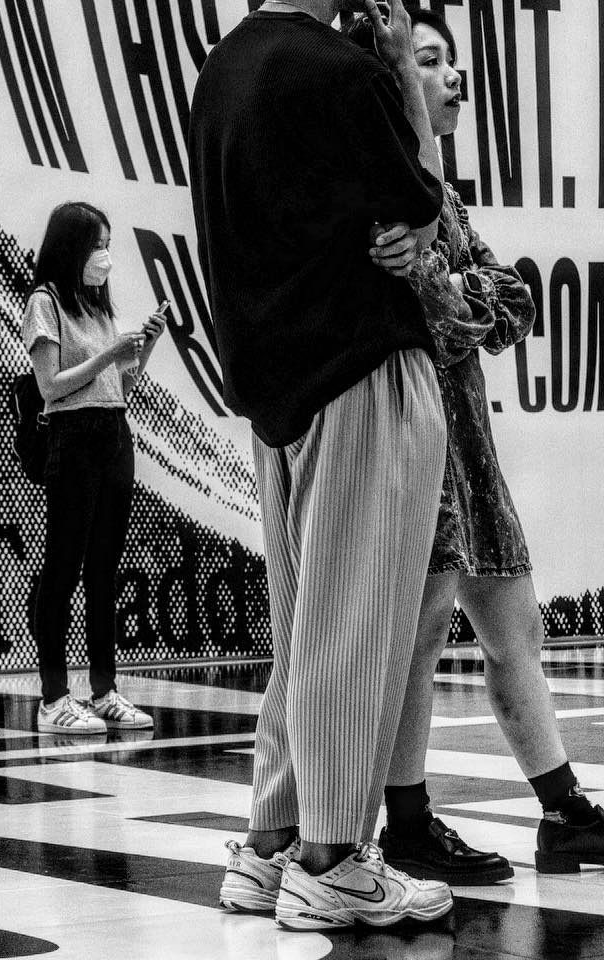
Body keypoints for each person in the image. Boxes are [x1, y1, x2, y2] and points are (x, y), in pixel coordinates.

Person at [190, 0, 453, 930]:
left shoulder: (223, 69)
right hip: (364, 365)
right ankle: (334, 859)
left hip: (277, 387)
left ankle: (269, 845)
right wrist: (404, 93)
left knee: (306, 623)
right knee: (360, 618)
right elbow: (432, 212)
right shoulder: (348, 72)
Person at [345, 8, 604, 883]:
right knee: (419, 635)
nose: (453, 77)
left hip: (470, 453)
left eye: (452, 62)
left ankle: (563, 811)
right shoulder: (386, 192)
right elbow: (453, 312)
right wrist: (463, 291)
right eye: (429, 62)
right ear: (393, 81)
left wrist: (461, 287)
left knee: (514, 625)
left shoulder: (439, 200)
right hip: (421, 441)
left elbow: (505, 304)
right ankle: (407, 820)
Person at [22, 201, 164, 735]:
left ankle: (104, 690)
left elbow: (119, 387)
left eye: (107, 244)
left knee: (105, 568)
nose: (104, 256)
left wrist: (142, 350)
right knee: (64, 568)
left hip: (113, 433)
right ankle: (53, 695)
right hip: (72, 437)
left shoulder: (97, 305)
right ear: (72, 245)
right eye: (97, 243)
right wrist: (108, 355)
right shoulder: (46, 300)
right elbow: (51, 385)